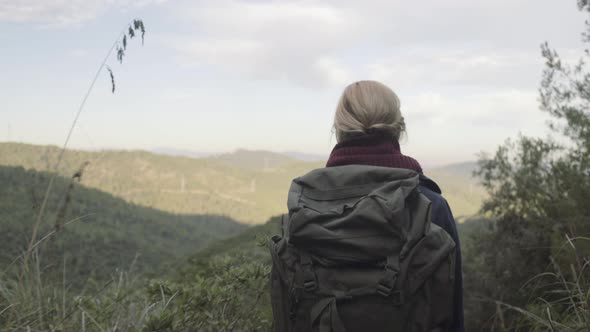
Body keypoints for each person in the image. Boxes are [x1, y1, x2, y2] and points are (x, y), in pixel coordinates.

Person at [326, 80, 464, 331]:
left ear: (339, 130)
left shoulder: (309, 206)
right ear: (398, 130)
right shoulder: (431, 206)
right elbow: (452, 314)